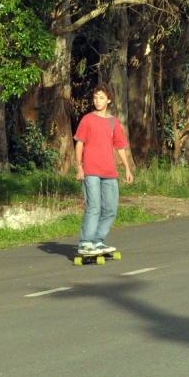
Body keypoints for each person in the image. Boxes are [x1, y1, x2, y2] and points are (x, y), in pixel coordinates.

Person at [74, 84, 134, 256]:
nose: (97, 101)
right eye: (95, 98)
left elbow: (120, 147)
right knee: (94, 207)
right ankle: (86, 242)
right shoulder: (87, 119)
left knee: (110, 209)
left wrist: (127, 169)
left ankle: (97, 241)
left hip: (109, 172)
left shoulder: (113, 122)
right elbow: (79, 144)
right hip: (90, 170)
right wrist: (79, 167)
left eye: (101, 98)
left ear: (108, 100)